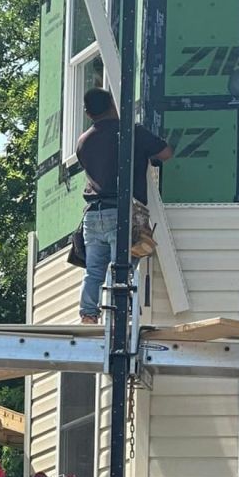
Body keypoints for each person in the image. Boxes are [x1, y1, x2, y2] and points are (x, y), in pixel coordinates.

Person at [75, 87, 173, 323]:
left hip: (93, 214)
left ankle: (89, 314)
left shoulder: (83, 142)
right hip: (122, 212)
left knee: (94, 271)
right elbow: (166, 152)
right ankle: (121, 315)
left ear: (88, 114)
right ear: (112, 105)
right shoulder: (130, 132)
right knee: (123, 267)